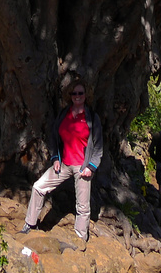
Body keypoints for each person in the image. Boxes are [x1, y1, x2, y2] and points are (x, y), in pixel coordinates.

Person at [22, 79, 103, 240]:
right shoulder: (63, 114)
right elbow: (54, 137)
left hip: (82, 166)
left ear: (86, 95)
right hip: (64, 164)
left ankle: (80, 238)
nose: (77, 96)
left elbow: (99, 146)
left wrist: (91, 167)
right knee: (38, 187)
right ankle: (30, 224)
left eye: (80, 93)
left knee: (82, 206)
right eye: (74, 93)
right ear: (70, 95)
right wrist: (55, 159)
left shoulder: (92, 117)